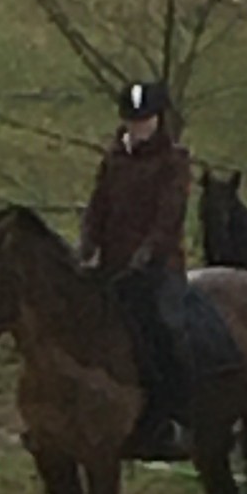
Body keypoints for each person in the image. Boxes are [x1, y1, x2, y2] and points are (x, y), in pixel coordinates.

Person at [79, 79, 193, 454]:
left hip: (157, 270)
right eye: (132, 121)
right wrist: (88, 245)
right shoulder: (113, 159)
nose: (138, 129)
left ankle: (174, 417)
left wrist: (146, 254)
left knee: (166, 329)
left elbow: (169, 215)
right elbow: (97, 208)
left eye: (144, 121)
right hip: (111, 267)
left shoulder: (174, 162)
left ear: (158, 120)